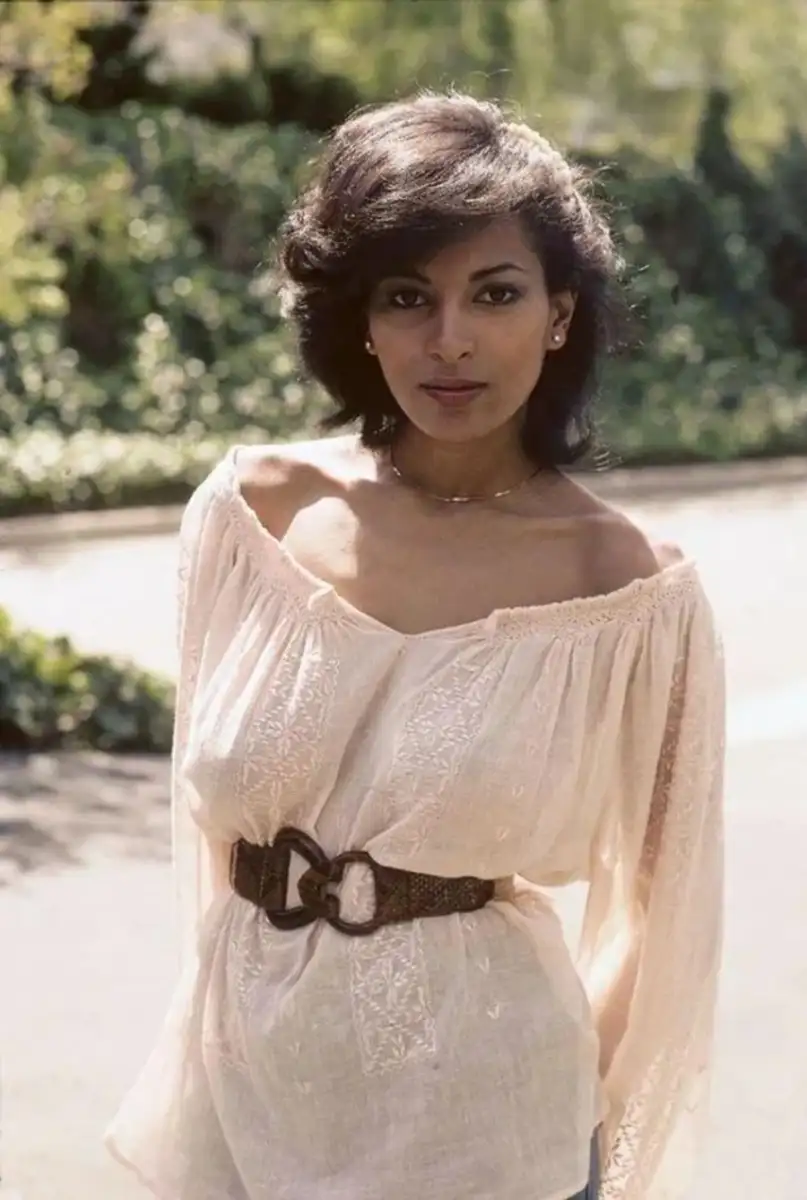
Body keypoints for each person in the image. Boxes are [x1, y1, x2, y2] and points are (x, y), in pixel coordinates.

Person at [105, 92, 725, 1200]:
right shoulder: (256, 514)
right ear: (361, 317)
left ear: (561, 314)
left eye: (494, 294)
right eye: (408, 297)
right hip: (242, 1099)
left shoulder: (628, 589)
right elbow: (203, 848)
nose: (450, 341)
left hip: (491, 1128)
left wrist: (579, 1118)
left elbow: (660, 911)